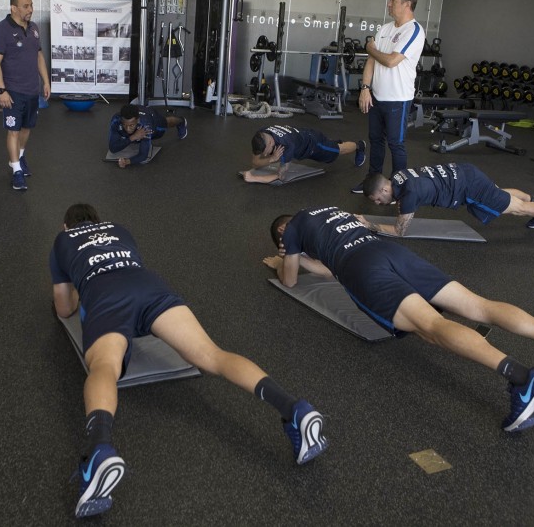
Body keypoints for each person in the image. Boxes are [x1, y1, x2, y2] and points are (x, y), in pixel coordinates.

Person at [51, 204, 327, 518]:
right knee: (213, 356)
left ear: (65, 227)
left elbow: (64, 308)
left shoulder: (62, 241)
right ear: (100, 223)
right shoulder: (119, 229)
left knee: (105, 366)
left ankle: (97, 450)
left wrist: (75, 286)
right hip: (150, 287)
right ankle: (295, 409)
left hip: (106, 295)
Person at [266, 205, 534, 432]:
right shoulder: (328, 213)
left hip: (362, 269)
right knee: (480, 305)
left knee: (430, 327)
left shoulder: (293, 229)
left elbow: (291, 279)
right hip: (390, 253)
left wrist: (283, 257)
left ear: (283, 231)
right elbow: (329, 267)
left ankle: (523, 379)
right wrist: (307, 260)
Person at [358, 163, 534, 243]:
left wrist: (369, 225)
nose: (378, 204)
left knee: (517, 209)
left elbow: (400, 231)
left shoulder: (408, 195)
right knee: (498, 194)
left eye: (378, 199)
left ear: (385, 188)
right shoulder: (398, 176)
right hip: (464, 172)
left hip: (469, 187)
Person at [351, 0, 425, 194]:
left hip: (398, 99)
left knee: (396, 144)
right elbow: (371, 62)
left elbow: (392, 61)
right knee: (376, 141)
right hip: (377, 97)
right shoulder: (385, 29)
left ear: (407, 4)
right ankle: (371, 183)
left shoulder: (414, 31)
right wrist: (365, 88)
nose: (388, 4)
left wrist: (370, 49)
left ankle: (398, 188)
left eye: (393, 0)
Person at [0, 0, 51, 191]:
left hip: (32, 89)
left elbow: (39, 56)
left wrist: (46, 81)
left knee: (27, 128)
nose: (30, 9)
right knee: (13, 131)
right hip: (13, 91)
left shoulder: (33, 28)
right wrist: (1, 90)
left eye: (31, 5)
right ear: (13, 8)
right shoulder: (1, 30)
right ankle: (16, 170)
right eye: (26, 6)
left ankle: (20, 156)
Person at [243, 124, 365, 183]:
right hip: (301, 137)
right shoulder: (261, 135)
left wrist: (254, 178)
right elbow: (255, 162)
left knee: (338, 151)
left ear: (270, 143)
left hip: (313, 144)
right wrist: (271, 159)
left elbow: (280, 176)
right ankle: (330, 143)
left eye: (266, 152)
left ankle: (359, 146)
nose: (264, 155)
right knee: (331, 145)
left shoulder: (285, 145)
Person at [108, 104, 187, 168]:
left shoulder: (146, 124)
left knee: (167, 122)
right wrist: (133, 137)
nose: (128, 129)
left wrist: (127, 162)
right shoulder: (116, 119)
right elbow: (113, 148)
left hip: (153, 119)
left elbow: (143, 156)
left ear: (137, 120)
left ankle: (181, 121)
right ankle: (135, 135)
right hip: (139, 122)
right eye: (124, 125)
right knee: (132, 137)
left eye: (131, 125)